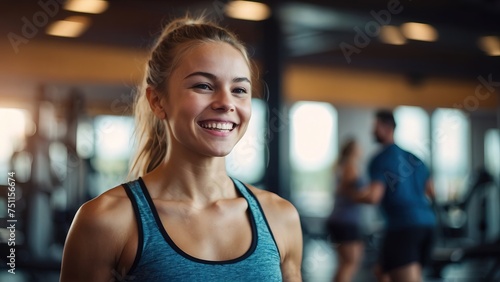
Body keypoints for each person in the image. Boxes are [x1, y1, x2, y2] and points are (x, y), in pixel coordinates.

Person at [60, 16, 303, 282]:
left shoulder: (280, 216)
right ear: (157, 101)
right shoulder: (106, 220)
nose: (226, 102)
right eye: (203, 86)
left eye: (239, 89)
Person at [347, 110, 436, 282]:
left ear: (387, 128)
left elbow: (374, 197)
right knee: (382, 272)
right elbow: (432, 192)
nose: (372, 131)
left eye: (375, 127)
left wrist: (350, 195)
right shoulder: (414, 158)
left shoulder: (380, 159)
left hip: (404, 227)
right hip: (428, 225)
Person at [327, 139, 365, 282]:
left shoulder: (344, 166)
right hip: (345, 221)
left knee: (345, 263)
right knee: (350, 263)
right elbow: (346, 191)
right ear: (353, 150)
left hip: (341, 220)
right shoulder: (350, 167)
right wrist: (368, 195)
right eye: (359, 147)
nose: (362, 150)